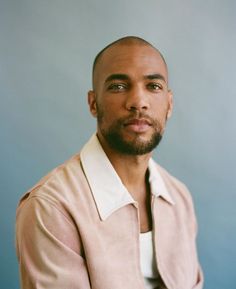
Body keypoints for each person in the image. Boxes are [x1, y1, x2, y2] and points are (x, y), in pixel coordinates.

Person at [16, 36, 203, 289]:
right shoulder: (51, 208)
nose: (138, 102)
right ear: (94, 103)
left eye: (153, 86)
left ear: (169, 104)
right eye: (118, 86)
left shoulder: (179, 198)